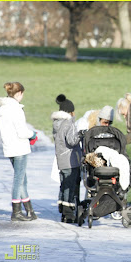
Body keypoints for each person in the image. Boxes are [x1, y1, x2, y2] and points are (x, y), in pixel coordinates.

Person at [0, 82, 38, 221]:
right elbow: (22, 132)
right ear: (19, 93)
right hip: (19, 147)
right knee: (19, 180)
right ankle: (16, 212)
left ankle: (29, 210)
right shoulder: (16, 109)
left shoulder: (2, 109)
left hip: (9, 147)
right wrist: (33, 134)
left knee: (22, 179)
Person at [51, 94, 82, 223]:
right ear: (70, 112)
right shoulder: (68, 123)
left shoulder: (56, 123)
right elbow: (71, 140)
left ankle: (63, 210)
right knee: (70, 186)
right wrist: (80, 134)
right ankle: (69, 214)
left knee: (64, 185)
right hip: (71, 160)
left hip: (61, 160)